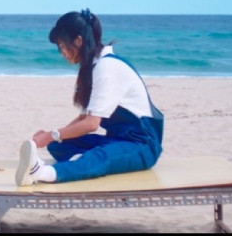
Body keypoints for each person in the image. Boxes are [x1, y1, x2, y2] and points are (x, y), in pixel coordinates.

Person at [15, 9, 163, 186]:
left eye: (63, 46)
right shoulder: (93, 66)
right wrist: (53, 137)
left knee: (101, 156)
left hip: (143, 145)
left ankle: (42, 173)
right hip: (116, 139)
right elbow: (83, 118)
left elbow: (91, 124)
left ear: (78, 41)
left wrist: (49, 135)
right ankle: (82, 164)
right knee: (58, 144)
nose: (62, 52)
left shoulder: (107, 67)